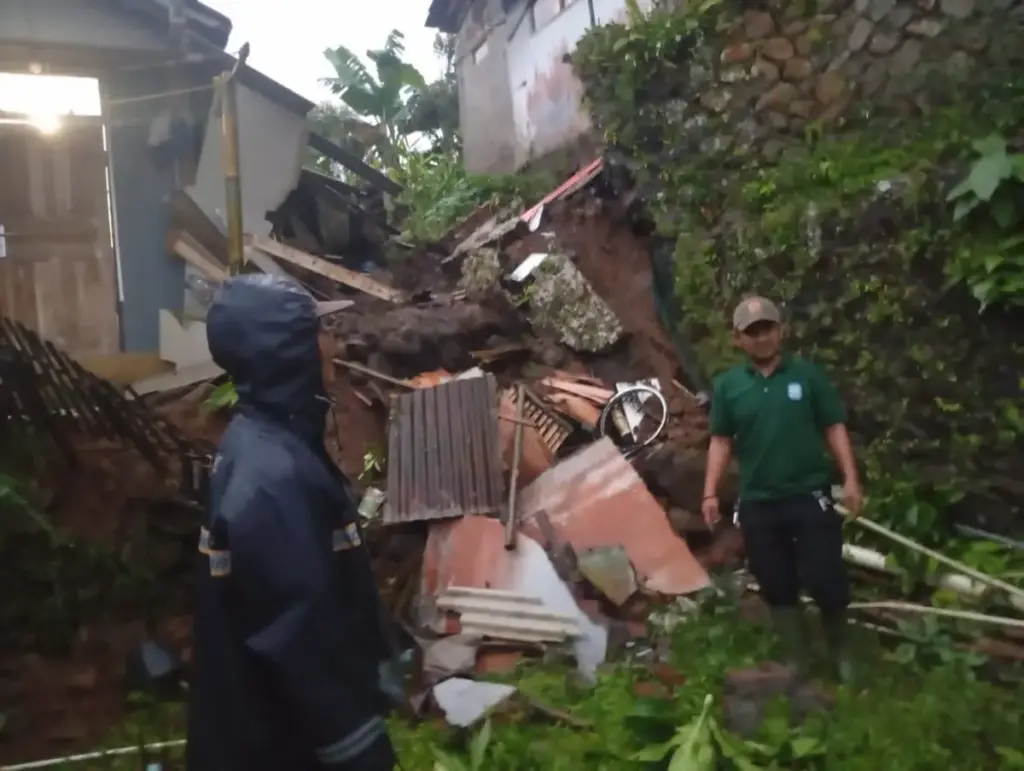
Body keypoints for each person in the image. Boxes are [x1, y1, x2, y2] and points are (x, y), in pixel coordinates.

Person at [186, 275, 397, 771]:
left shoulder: (266, 440)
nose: (334, 344)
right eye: (320, 331)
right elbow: (301, 638)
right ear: (290, 351)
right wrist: (358, 747)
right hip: (280, 749)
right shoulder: (272, 480)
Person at [701, 295, 864, 681]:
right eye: (752, 332)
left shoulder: (807, 376)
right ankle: (797, 660)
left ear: (782, 331)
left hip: (810, 495)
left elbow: (833, 426)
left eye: (767, 329)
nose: (762, 338)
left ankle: (842, 654)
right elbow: (721, 441)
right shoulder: (728, 387)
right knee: (776, 582)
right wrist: (710, 491)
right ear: (738, 339)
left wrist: (851, 478)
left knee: (826, 576)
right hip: (759, 503)